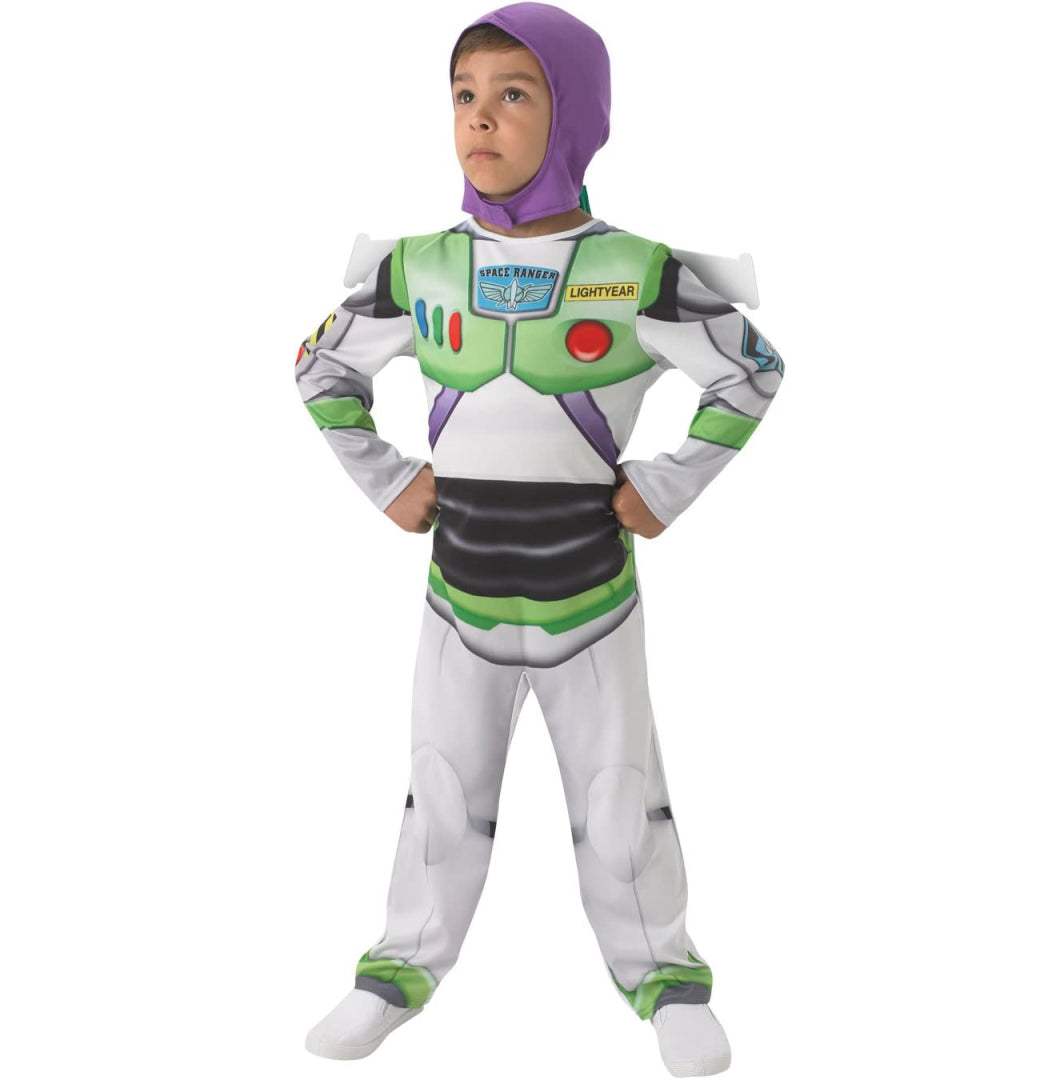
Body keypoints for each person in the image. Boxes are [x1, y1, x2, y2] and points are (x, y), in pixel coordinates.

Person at [294, 4, 784, 1074]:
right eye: (463, 95)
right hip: (458, 599)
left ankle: (665, 982)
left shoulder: (639, 270)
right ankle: (396, 974)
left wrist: (667, 485)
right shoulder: (419, 267)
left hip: (591, 600)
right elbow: (320, 367)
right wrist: (387, 479)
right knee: (438, 795)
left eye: (514, 94)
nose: (480, 118)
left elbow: (751, 372)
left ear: (576, 117)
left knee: (621, 806)